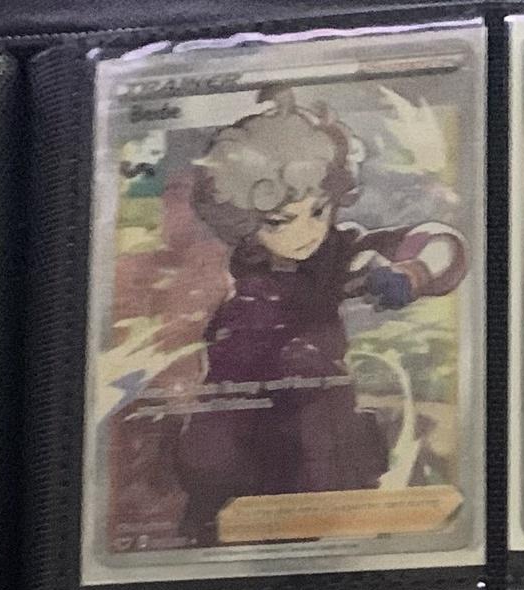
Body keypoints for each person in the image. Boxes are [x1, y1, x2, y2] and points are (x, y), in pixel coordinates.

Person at [173, 91, 468, 541]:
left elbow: (442, 242)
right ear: (246, 219)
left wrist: (412, 273)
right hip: (248, 446)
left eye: (318, 211)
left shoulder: (337, 255)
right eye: (279, 221)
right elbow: (214, 421)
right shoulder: (244, 279)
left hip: (325, 434)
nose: (306, 232)